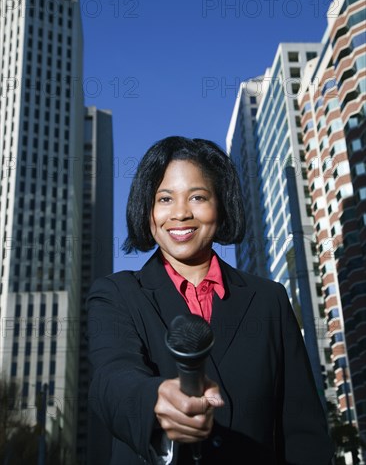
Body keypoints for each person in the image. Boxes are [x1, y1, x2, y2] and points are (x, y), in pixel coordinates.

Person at [86, 136, 335, 464]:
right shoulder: (116, 295)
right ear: (147, 211)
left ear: (221, 204)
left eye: (198, 197)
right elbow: (112, 378)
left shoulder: (269, 300)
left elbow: (303, 431)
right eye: (164, 199)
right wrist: (155, 401)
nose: (180, 213)